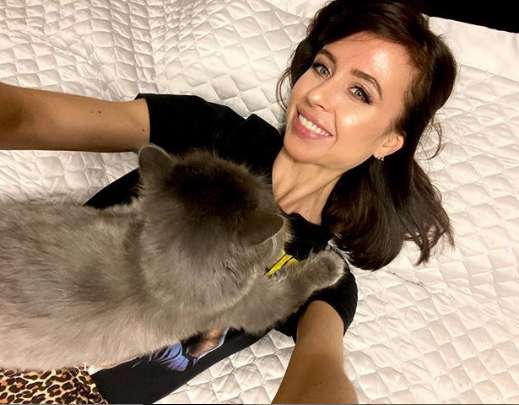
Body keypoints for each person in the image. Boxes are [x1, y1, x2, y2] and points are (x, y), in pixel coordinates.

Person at [0, 0, 457, 403]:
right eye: (322, 68)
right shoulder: (211, 134)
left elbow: (320, 373)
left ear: (389, 141)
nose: (317, 94)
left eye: (360, 92)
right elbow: (32, 118)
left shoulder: (322, 275)